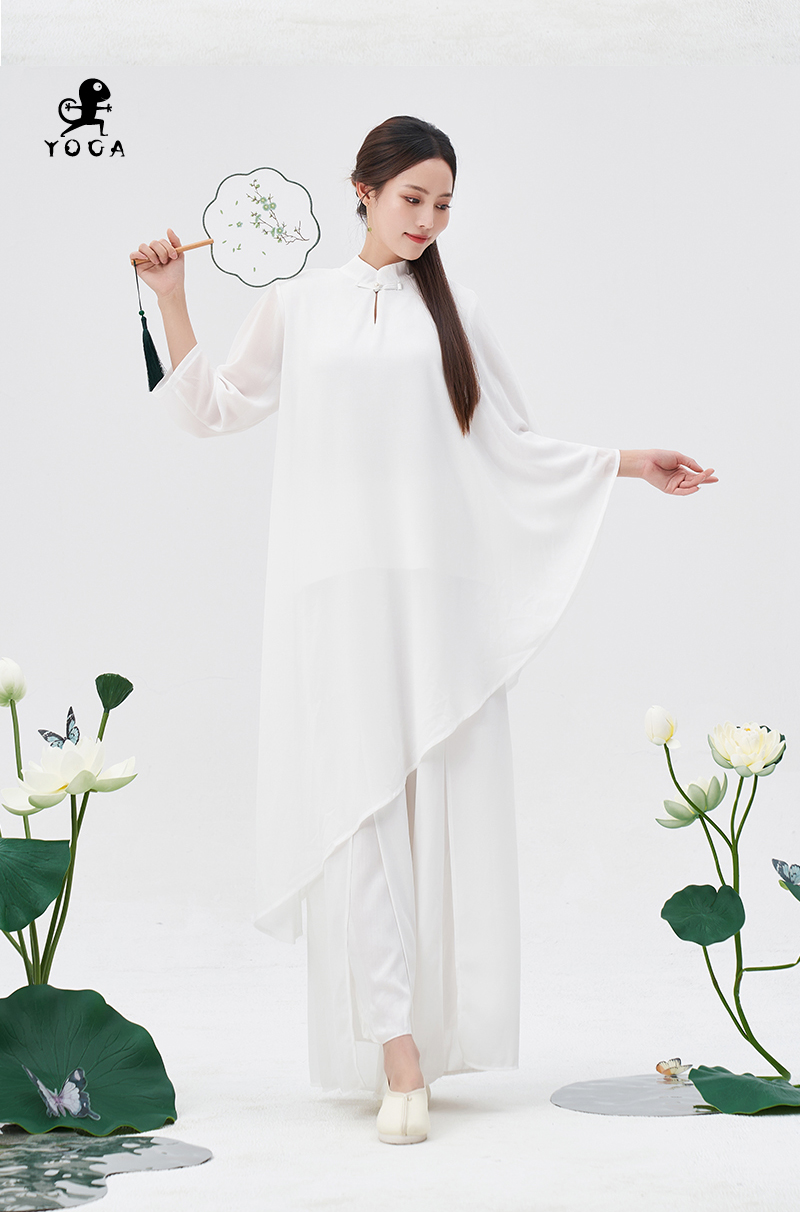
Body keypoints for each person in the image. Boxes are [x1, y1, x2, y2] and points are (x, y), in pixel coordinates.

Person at [130, 115, 717, 1146]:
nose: (429, 220)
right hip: (333, 598)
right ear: (361, 189)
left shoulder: (457, 313)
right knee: (354, 812)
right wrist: (172, 300)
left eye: (443, 205)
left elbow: (512, 443)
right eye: (413, 199)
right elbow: (211, 411)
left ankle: (430, 1037)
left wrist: (628, 462)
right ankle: (396, 1050)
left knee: (431, 813)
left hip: (432, 597)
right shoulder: (297, 305)